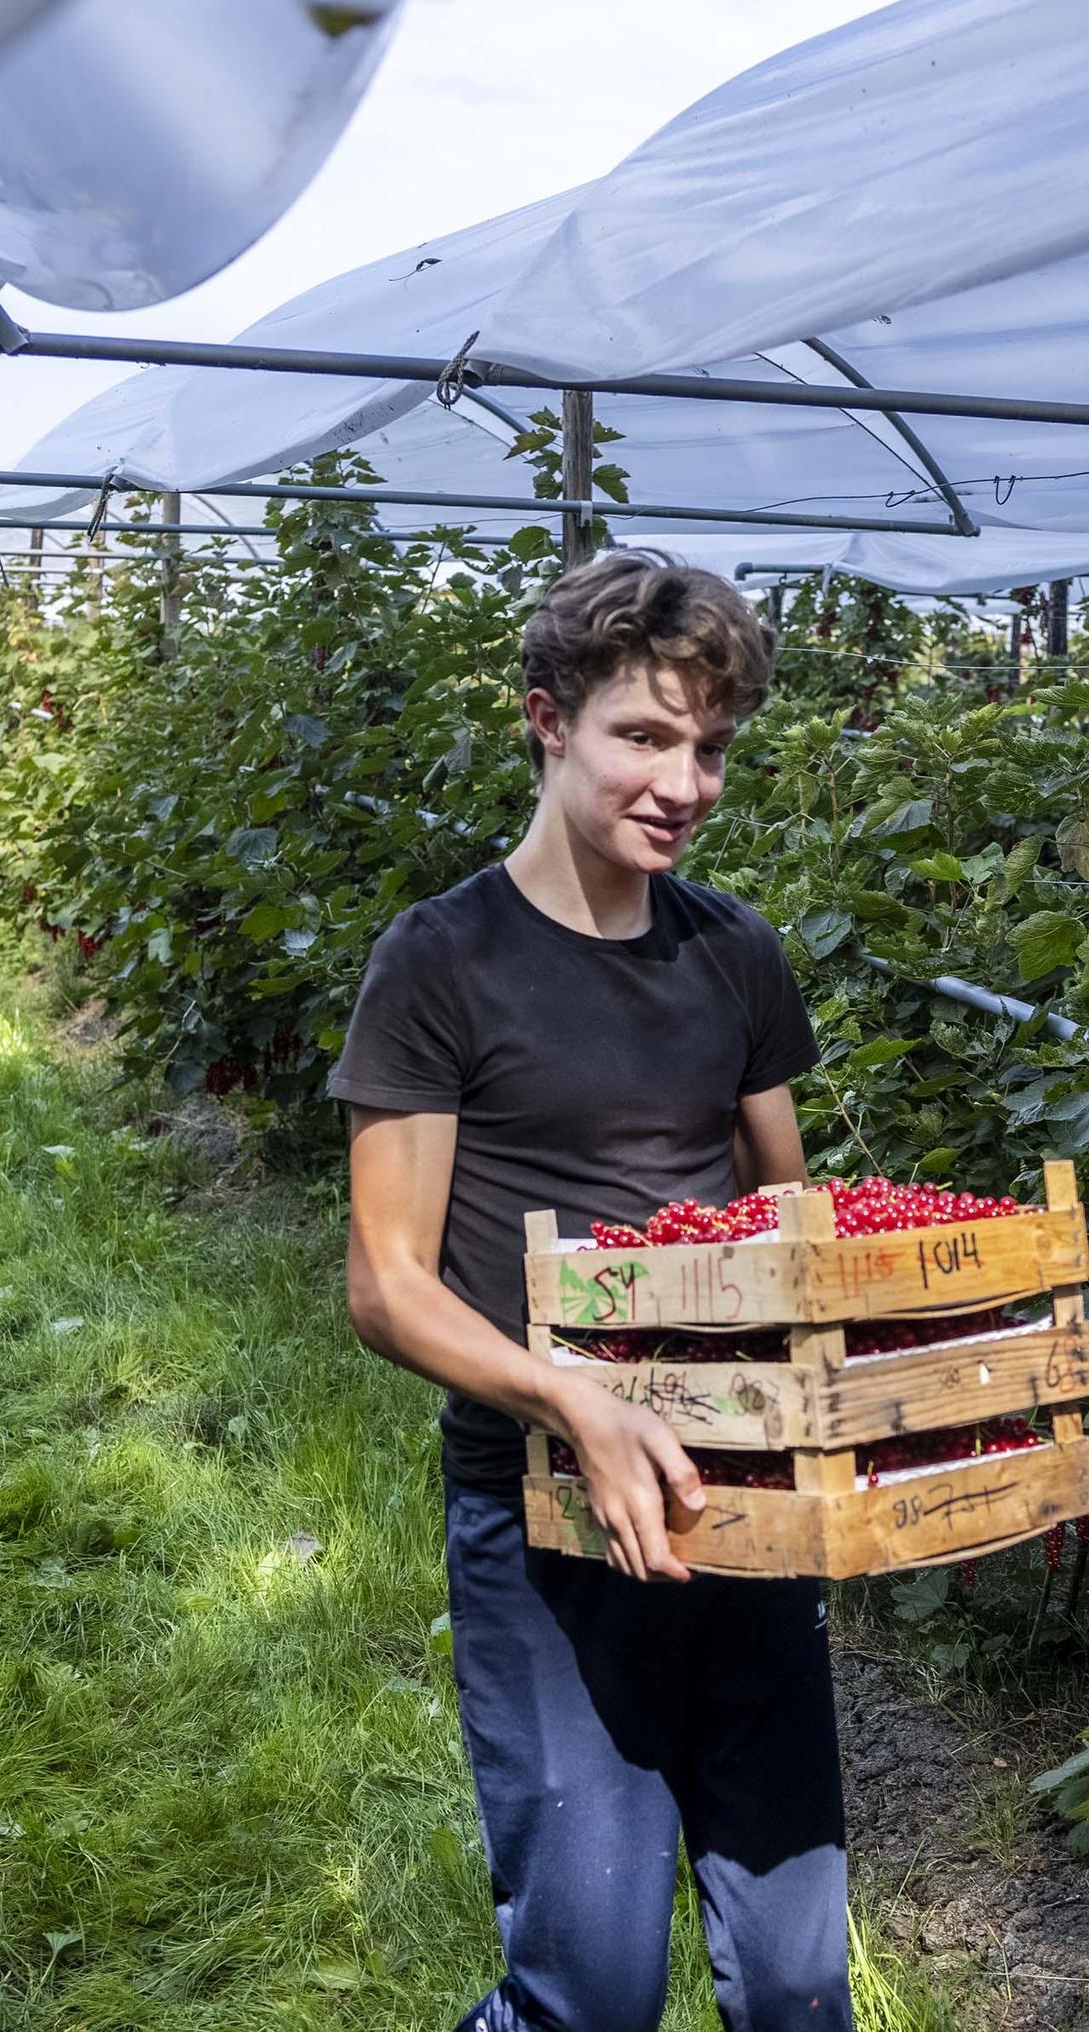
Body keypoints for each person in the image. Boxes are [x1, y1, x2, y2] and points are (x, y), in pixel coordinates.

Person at [331, 551, 841, 2032]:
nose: (686, 781)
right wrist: (575, 1396)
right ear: (548, 721)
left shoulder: (733, 954)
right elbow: (386, 1286)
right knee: (593, 1993)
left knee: (801, 1977)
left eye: (712, 747)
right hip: (545, 1506)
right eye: (645, 736)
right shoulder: (442, 964)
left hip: (738, 1507)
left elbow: (788, 1225)